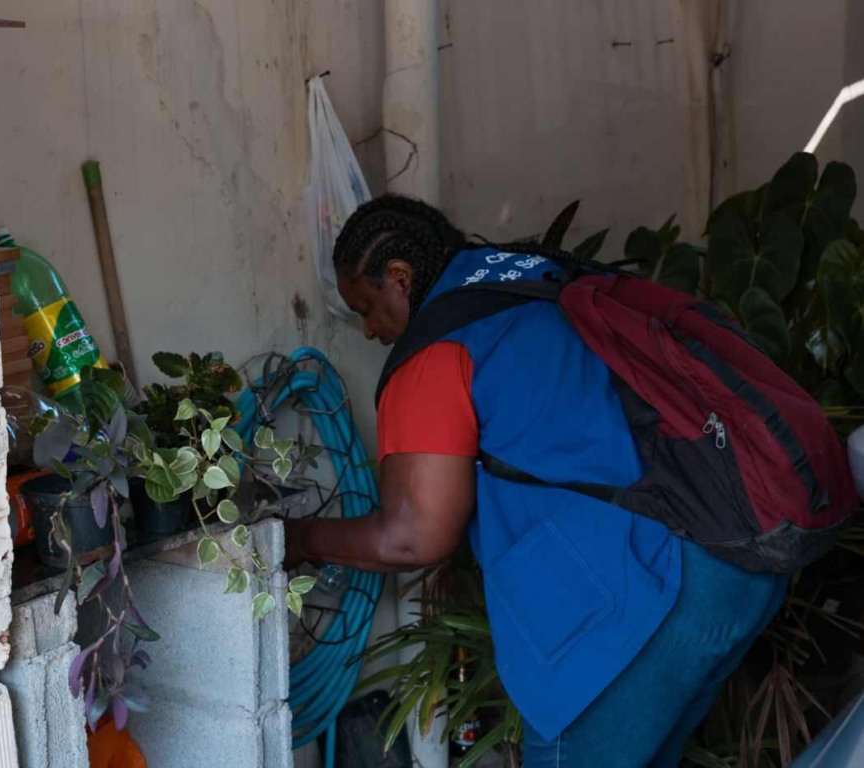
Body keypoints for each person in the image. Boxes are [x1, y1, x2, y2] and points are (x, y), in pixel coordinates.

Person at [283, 194, 790, 767]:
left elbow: (412, 535)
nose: (373, 331)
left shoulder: (436, 349)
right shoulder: (535, 283)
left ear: (400, 277)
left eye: (368, 308)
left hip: (641, 602)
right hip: (736, 564)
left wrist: (301, 539)